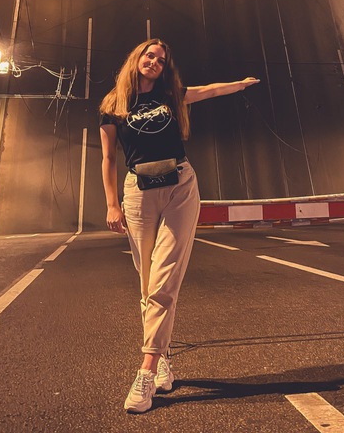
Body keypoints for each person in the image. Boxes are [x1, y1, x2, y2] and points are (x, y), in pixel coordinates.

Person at [99, 38, 259, 414]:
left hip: (180, 186)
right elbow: (108, 158)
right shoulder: (113, 104)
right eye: (149, 55)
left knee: (163, 280)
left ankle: (146, 370)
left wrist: (240, 85)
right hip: (138, 191)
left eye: (161, 59)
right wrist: (111, 204)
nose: (154, 62)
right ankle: (164, 358)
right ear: (137, 58)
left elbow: (210, 90)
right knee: (147, 282)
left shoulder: (171, 96)